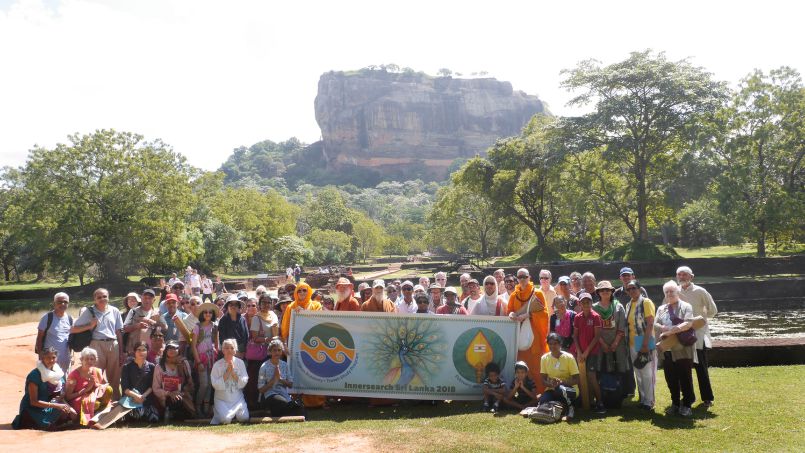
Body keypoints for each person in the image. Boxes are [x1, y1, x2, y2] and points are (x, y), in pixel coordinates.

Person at [70, 288, 124, 400]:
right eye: (99, 297)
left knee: (115, 378)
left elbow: (118, 332)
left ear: (108, 297)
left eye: (104, 296)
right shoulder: (89, 312)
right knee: (96, 376)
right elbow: (73, 329)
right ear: (94, 299)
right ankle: (96, 403)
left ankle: (115, 404)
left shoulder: (114, 310)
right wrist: (89, 326)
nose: (102, 299)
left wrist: (121, 351)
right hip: (96, 345)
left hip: (113, 344)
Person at [677, 265, 717, 407]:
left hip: (698, 336)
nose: (682, 277)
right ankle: (689, 397)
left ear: (691, 277)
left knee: (701, 369)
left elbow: (713, 310)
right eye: (679, 275)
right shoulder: (675, 292)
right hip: (681, 336)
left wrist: (700, 321)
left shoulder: (700, 291)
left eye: (684, 274)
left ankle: (707, 398)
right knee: (684, 369)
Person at [657, 280, 697, 417]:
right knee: (670, 378)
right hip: (667, 349)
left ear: (677, 292)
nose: (669, 294)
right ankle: (675, 403)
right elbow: (656, 324)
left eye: (672, 291)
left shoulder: (686, 306)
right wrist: (662, 328)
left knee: (685, 377)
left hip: (682, 348)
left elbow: (689, 323)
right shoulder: (661, 309)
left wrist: (674, 330)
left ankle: (687, 404)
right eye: (666, 292)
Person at [507, 268, 549, 393]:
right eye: (519, 277)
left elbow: (544, 314)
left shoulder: (538, 293)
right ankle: (524, 394)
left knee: (536, 368)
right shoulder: (514, 295)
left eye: (524, 276)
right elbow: (509, 311)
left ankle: (540, 395)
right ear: (517, 279)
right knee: (521, 367)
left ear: (529, 277)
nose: (522, 279)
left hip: (534, 338)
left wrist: (528, 316)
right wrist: (512, 315)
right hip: (519, 339)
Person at [13, 347, 76, 430]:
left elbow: (58, 395)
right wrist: (57, 406)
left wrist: (70, 408)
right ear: (42, 358)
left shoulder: (58, 374)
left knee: (68, 412)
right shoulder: (34, 375)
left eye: (53, 357)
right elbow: (33, 402)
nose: (51, 360)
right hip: (32, 409)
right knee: (47, 425)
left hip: (51, 405)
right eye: (48, 358)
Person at [593, 280, 629, 404]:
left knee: (618, 368)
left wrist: (615, 343)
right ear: (598, 292)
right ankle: (603, 396)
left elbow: (622, 326)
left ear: (612, 291)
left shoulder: (618, 306)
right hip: (600, 343)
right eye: (602, 290)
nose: (605, 292)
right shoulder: (594, 308)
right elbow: (593, 328)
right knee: (601, 369)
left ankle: (618, 396)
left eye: (607, 290)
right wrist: (602, 343)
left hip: (617, 344)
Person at [625, 279, 657, 410]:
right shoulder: (628, 305)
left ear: (640, 289)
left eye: (634, 288)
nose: (631, 291)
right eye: (629, 289)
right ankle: (643, 399)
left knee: (647, 372)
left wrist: (645, 344)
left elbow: (650, 323)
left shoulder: (646, 302)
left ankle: (649, 401)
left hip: (644, 341)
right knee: (638, 371)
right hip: (632, 342)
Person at [573, 293, 606, 413]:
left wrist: (586, 352)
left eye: (588, 302)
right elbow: (575, 336)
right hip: (580, 353)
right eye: (583, 302)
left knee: (591, 376)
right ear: (580, 304)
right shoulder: (577, 317)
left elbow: (597, 336)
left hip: (592, 352)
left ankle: (600, 402)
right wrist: (579, 352)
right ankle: (586, 401)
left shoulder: (596, 316)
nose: (586, 304)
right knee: (582, 377)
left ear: (591, 303)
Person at [65, 347, 113, 427]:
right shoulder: (74, 375)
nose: (89, 361)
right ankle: (85, 419)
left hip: (94, 396)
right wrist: (86, 390)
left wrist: (96, 386)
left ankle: (98, 417)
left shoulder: (97, 371)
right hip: (78, 399)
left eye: (92, 359)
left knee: (109, 389)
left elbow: (103, 387)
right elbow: (68, 397)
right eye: (87, 359)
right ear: (81, 360)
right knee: (94, 403)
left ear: (95, 361)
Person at [258, 339, 305, 417]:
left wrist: (280, 379)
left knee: (300, 410)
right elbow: (261, 389)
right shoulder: (264, 366)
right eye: (274, 350)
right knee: (283, 403)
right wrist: (274, 379)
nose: (277, 353)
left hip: (283, 394)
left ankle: (283, 411)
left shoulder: (285, 365)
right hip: (270, 394)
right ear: (270, 352)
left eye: (279, 350)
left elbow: (290, 384)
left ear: (282, 351)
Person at [539, 333, 580, 420]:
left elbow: (577, 380)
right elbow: (543, 380)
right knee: (543, 401)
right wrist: (550, 384)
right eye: (550, 344)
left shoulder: (569, 357)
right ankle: (560, 409)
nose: (552, 346)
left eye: (555, 343)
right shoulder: (544, 358)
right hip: (552, 389)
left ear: (560, 344)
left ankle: (571, 409)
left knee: (560, 389)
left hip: (569, 389)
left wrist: (562, 382)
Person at [153, 341, 196, 421]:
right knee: (175, 400)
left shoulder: (184, 363)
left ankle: (177, 414)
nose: (172, 350)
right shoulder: (159, 366)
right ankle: (168, 412)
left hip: (182, 394)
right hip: (164, 397)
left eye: (175, 348)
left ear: (179, 350)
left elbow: (190, 383)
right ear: (165, 350)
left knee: (178, 400)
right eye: (170, 348)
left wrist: (180, 392)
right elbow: (155, 388)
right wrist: (169, 393)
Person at [210, 339, 249, 425]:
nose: (229, 350)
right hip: (222, 399)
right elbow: (215, 384)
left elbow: (244, 381)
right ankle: (220, 411)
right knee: (225, 420)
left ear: (235, 350)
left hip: (237, 399)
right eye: (227, 348)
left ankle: (235, 414)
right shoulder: (217, 365)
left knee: (244, 418)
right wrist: (227, 372)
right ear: (223, 350)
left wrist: (234, 374)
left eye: (232, 348)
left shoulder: (240, 363)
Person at [191, 302, 219, 418]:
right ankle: (197, 406)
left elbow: (216, 343)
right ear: (202, 313)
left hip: (212, 357)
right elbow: (193, 346)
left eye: (210, 312)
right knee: (204, 384)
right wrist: (198, 362)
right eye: (206, 312)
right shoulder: (198, 326)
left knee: (210, 384)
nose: (208, 314)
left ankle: (206, 408)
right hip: (201, 357)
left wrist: (216, 354)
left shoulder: (215, 326)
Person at [120, 341, 159, 422]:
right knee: (136, 416)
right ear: (134, 351)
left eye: (144, 350)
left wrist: (142, 396)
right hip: (131, 399)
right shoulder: (127, 367)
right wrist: (136, 396)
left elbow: (152, 385)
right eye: (139, 350)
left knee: (154, 418)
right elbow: (125, 388)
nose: (141, 352)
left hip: (145, 399)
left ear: (147, 352)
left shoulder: (152, 366)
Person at [35, 292, 73, 373]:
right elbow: (39, 338)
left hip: (65, 358)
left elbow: (71, 338)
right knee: (48, 382)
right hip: (49, 358)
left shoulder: (70, 318)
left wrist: (72, 356)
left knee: (63, 381)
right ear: (54, 303)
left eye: (65, 302)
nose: (62, 304)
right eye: (59, 302)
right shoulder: (47, 318)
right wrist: (41, 355)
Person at [122, 288, 161, 356]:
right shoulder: (133, 311)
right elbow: (125, 328)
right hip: (134, 350)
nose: (147, 300)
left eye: (150, 298)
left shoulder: (158, 312)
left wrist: (153, 323)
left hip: (152, 351)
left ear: (154, 300)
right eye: (145, 298)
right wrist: (137, 326)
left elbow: (165, 328)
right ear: (141, 298)